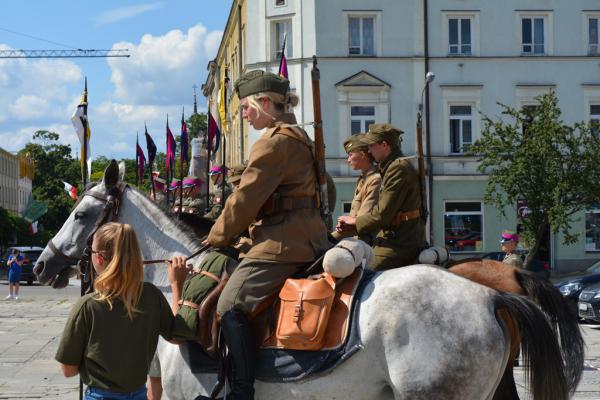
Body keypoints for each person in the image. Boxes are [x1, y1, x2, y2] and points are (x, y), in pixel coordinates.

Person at [200, 70, 329, 400]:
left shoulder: (273, 143)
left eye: (246, 106)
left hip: (284, 244)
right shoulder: (301, 138)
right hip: (311, 237)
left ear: (266, 102)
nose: (244, 114)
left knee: (230, 304)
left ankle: (241, 392)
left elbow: (245, 200)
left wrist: (217, 237)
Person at [55, 222, 191, 400]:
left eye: (92, 252)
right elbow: (176, 336)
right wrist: (176, 285)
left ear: (100, 259)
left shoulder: (88, 306)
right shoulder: (152, 296)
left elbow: (68, 370)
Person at [337, 123, 426, 270]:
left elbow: (383, 214)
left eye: (371, 146)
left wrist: (355, 221)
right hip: (394, 237)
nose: (369, 151)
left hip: (401, 242)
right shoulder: (390, 167)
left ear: (384, 145)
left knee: (363, 274)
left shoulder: (397, 168)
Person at [331, 134, 381, 242]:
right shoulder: (363, 179)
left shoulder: (375, 180)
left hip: (370, 244)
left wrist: (346, 225)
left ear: (362, 155)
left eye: (350, 155)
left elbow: (363, 221)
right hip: (359, 241)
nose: (348, 160)